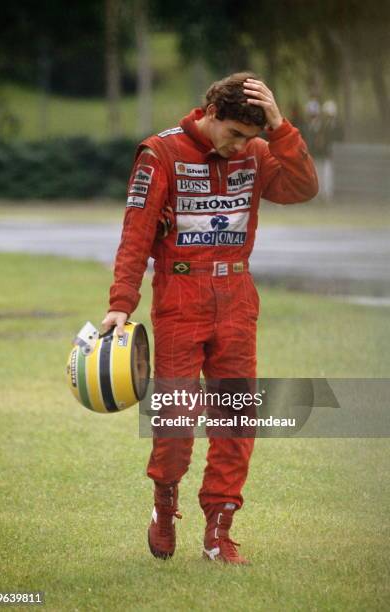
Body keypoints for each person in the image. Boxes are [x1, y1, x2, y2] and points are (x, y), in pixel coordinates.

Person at [102, 72, 318, 564]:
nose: (241, 146)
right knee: (177, 418)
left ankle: (218, 533)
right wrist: (120, 303)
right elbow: (135, 236)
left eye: (252, 137)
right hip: (179, 296)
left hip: (238, 296)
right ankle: (164, 504)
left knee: (236, 418)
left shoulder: (259, 153)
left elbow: (303, 186)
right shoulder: (159, 154)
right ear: (211, 114)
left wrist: (281, 128)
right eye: (235, 134)